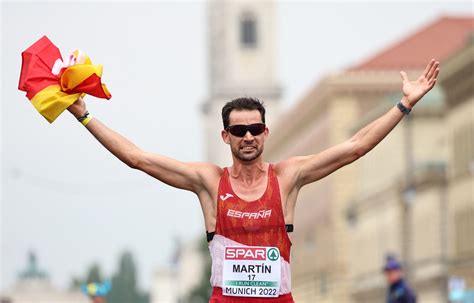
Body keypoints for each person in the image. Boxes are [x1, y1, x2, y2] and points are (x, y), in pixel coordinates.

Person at [66, 59, 439, 302]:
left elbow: (355, 146)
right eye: (239, 130)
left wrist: (404, 105)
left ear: (265, 132)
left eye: (255, 128)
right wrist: (85, 117)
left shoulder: (288, 177)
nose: (248, 136)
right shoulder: (208, 181)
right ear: (225, 136)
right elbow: (138, 158)